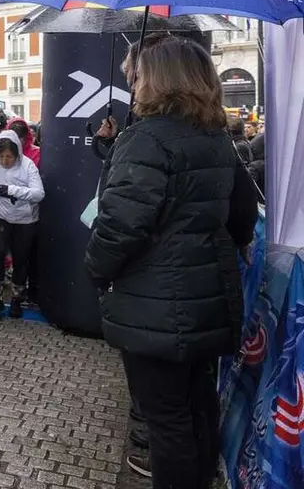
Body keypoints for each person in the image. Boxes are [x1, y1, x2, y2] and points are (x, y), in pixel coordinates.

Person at [85, 36, 258, 486]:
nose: (131, 81)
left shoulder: (146, 139)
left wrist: (96, 269)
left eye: (136, 74)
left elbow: (122, 225)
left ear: (156, 80)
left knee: (168, 422)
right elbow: (240, 212)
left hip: (156, 305)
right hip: (207, 298)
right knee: (197, 410)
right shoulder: (214, 137)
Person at [0, 129, 44, 319]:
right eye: (1, 156)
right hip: (1, 215)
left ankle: (16, 298)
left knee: (21, 259)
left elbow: (39, 193)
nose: (5, 161)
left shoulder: (28, 165)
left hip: (26, 219)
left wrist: (12, 190)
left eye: (9, 157)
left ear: (18, 154)